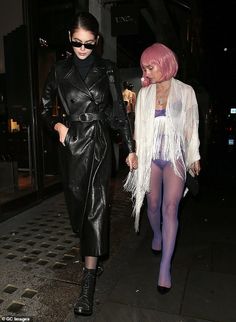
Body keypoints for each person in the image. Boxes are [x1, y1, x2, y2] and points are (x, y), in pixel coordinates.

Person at [41, 12, 137, 316]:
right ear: (70, 37)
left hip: (97, 143)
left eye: (89, 44)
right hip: (71, 145)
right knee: (78, 210)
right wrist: (58, 126)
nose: (83, 49)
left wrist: (130, 149)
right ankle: (91, 255)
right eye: (77, 43)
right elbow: (44, 108)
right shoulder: (58, 70)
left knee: (96, 210)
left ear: (97, 42)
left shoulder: (107, 69)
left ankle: (88, 283)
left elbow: (118, 113)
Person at [124, 43, 201, 294]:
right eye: (144, 67)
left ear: (165, 63)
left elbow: (192, 126)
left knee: (170, 208)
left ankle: (164, 268)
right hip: (151, 157)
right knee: (153, 204)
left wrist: (194, 156)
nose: (147, 72)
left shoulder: (186, 91)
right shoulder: (145, 94)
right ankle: (156, 233)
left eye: (151, 66)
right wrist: (133, 153)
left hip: (175, 157)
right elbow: (138, 128)